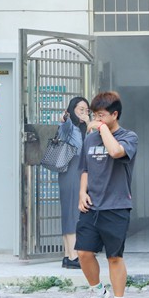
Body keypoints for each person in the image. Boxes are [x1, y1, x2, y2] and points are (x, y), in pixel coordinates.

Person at [75, 91, 138, 298]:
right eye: (95, 115)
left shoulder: (129, 137)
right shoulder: (89, 140)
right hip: (92, 205)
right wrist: (82, 193)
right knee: (83, 253)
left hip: (117, 206)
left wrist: (101, 129)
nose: (96, 119)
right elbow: (85, 169)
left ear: (115, 114)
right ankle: (98, 291)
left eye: (101, 115)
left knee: (114, 258)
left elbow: (115, 152)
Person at [57, 96, 89, 269]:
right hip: (71, 169)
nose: (84, 113)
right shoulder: (69, 126)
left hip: (77, 170)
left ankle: (67, 255)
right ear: (72, 110)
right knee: (72, 212)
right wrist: (65, 118)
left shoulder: (84, 128)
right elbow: (63, 124)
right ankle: (73, 256)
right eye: (80, 110)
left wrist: (89, 123)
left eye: (86, 110)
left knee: (71, 212)